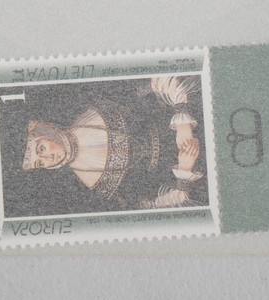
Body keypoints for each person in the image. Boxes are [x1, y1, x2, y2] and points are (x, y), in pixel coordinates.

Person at [21, 76, 207, 210]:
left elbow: (157, 82)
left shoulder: (98, 107)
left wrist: (182, 121)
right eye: (40, 163)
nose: (49, 158)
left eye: (42, 149)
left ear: (48, 132)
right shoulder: (95, 186)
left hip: (198, 118)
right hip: (197, 175)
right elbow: (151, 206)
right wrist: (185, 172)